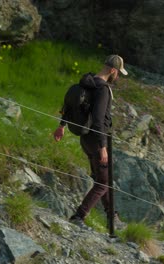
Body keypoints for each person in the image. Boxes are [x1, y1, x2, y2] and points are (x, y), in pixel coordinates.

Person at [53, 54, 128, 229]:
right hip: (97, 140)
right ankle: (79, 216)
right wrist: (103, 147)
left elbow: (70, 105)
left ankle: (112, 217)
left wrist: (61, 126)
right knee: (102, 183)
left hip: (85, 139)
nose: (117, 77)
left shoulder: (86, 83)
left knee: (102, 179)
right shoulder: (103, 89)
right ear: (112, 70)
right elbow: (98, 120)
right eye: (118, 73)